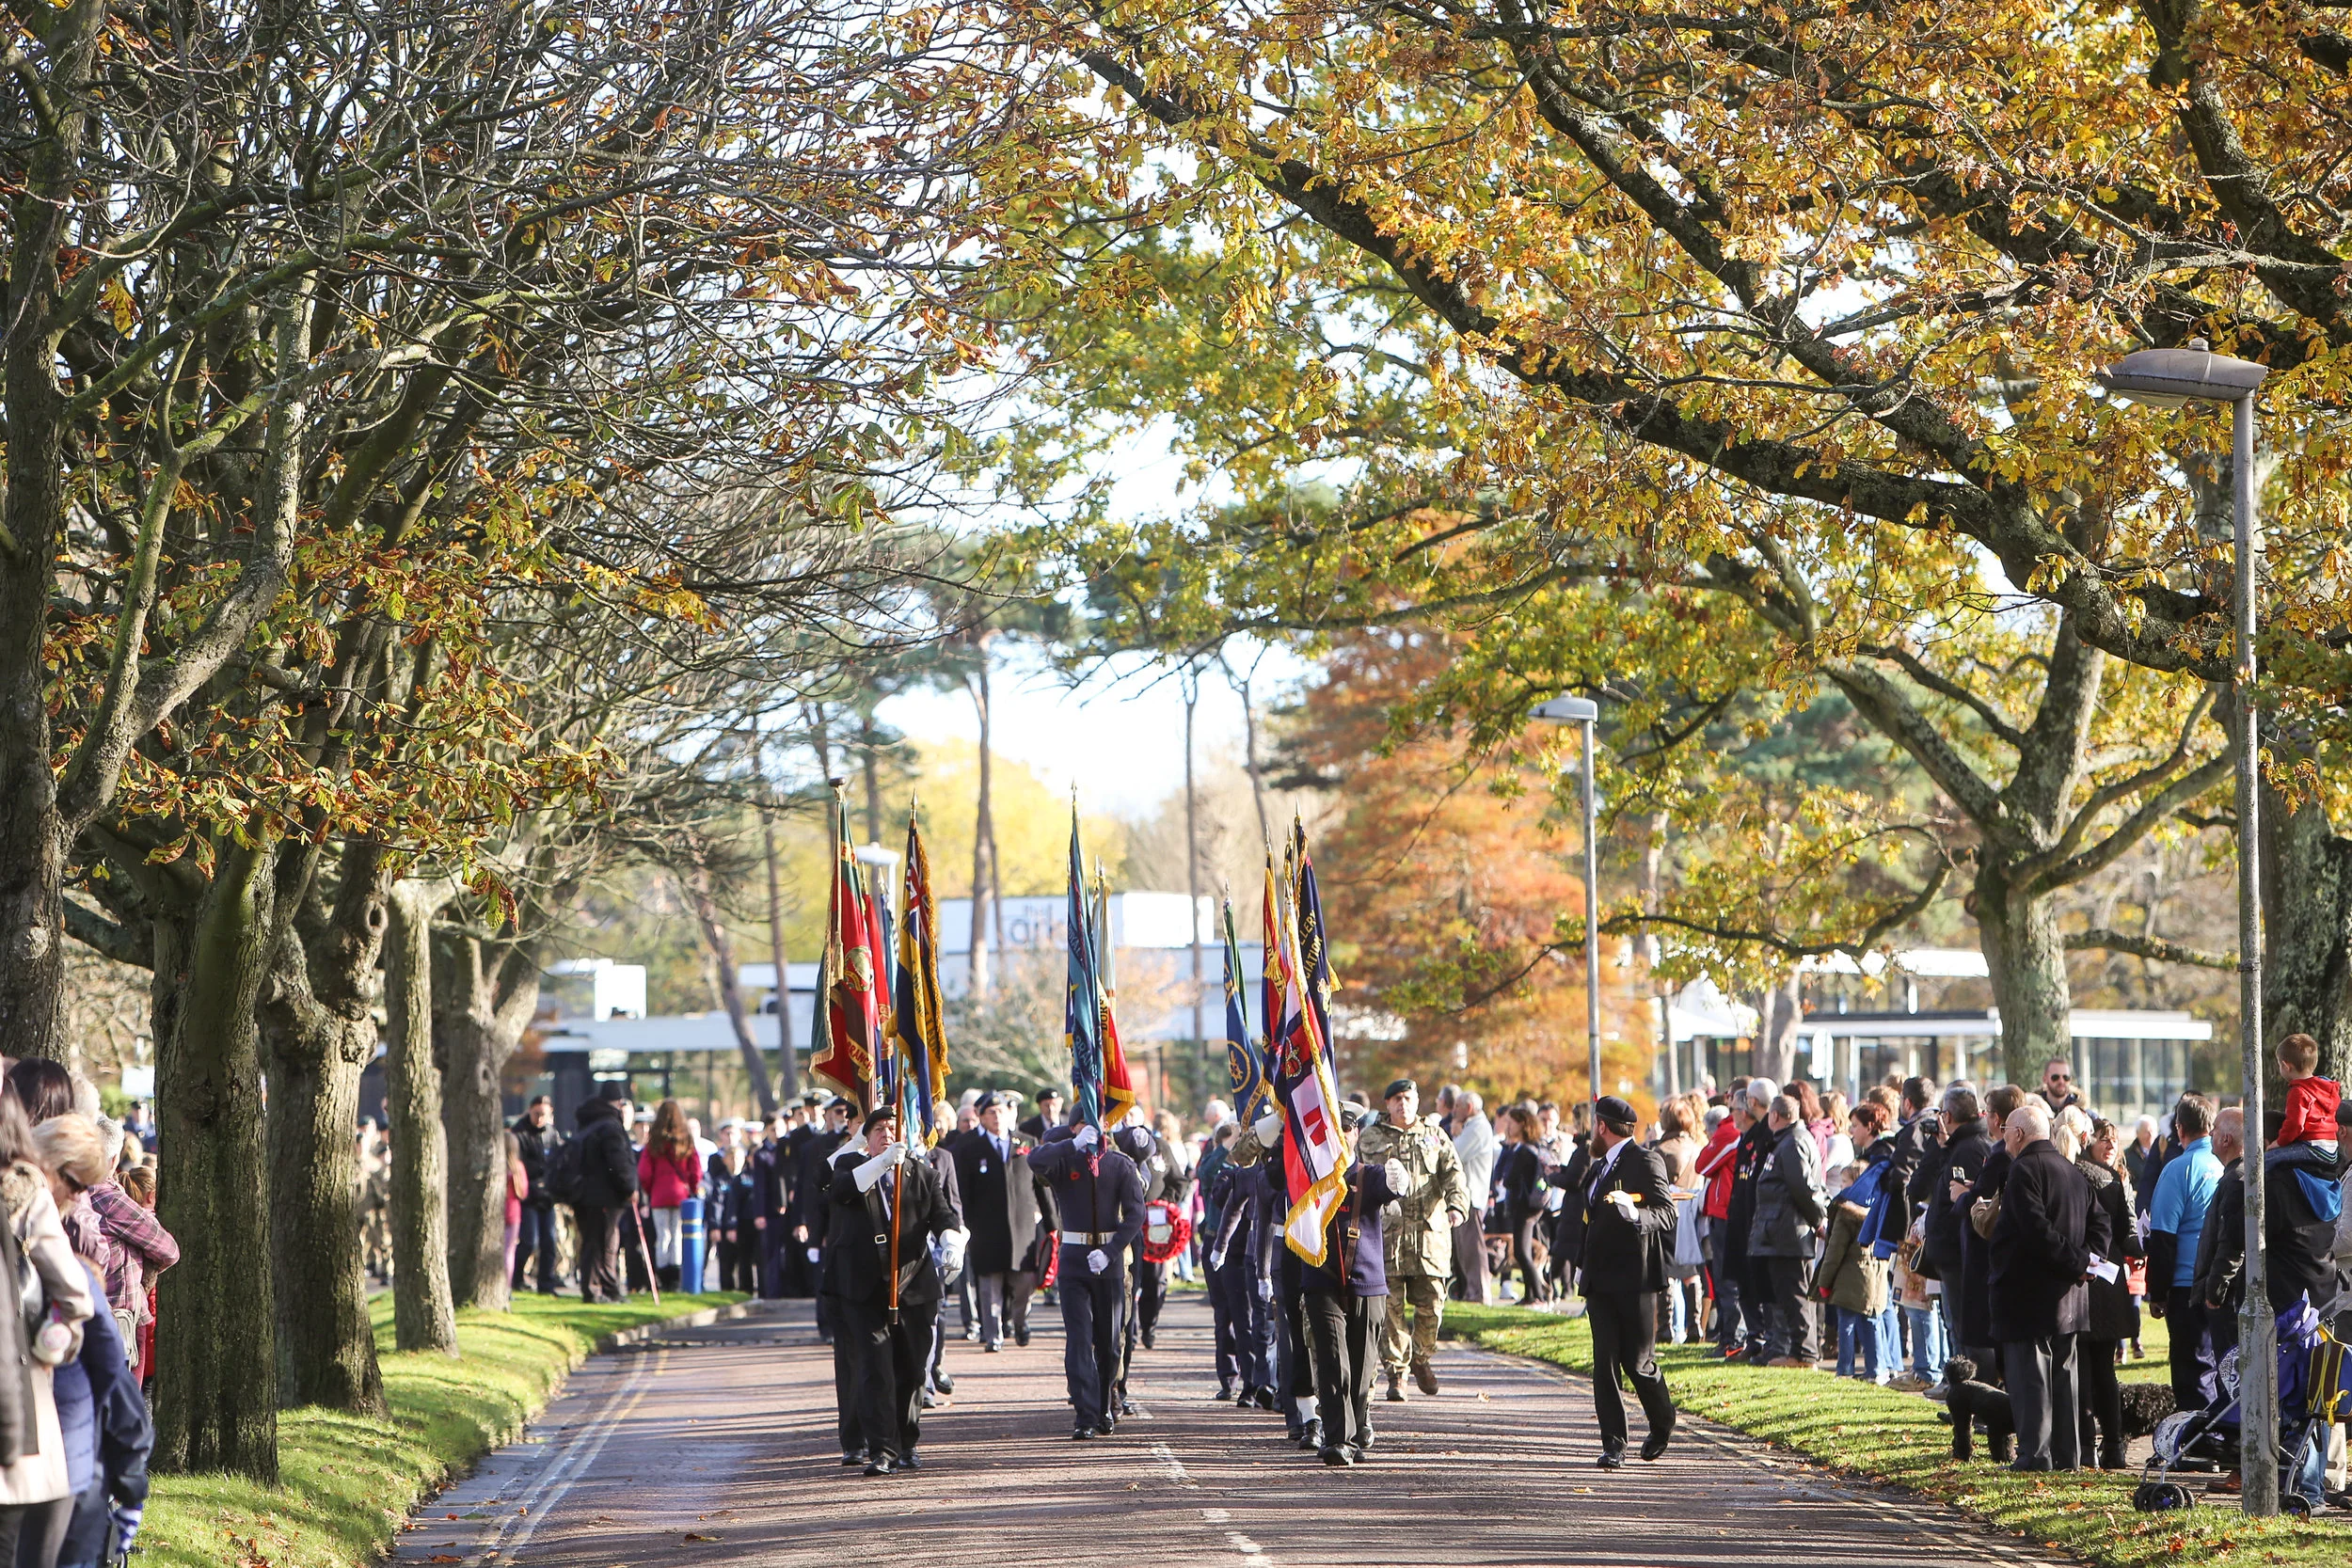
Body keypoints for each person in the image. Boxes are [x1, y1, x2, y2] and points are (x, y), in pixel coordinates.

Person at [825, 1107, 961, 1476]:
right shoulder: (849, 1165)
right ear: (866, 1137)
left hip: (914, 1284)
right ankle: (882, 1450)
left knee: (913, 1370)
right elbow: (842, 1190)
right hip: (864, 1287)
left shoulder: (922, 1173)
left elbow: (944, 1214)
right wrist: (882, 1162)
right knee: (874, 1368)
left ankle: (907, 1442)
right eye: (879, 1128)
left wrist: (952, 1239)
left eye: (893, 1128)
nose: (887, 1133)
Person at [0, 1092, 95, 1566]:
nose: (80, 1197)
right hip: (16, 1407)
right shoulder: (24, 1192)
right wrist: (52, 1342)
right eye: (76, 1183)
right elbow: (75, 1295)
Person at [1989, 1099, 2106, 1471]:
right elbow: (2100, 1223)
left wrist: (2079, 1262)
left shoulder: (2025, 1170)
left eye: (2006, 1130)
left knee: (2031, 1377)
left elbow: (2036, 1230)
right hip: (2070, 1297)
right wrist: (2089, 1261)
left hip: (2030, 1295)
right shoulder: (2072, 1171)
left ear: (2019, 1133)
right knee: (2065, 1377)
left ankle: (2036, 1456)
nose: (2003, 1138)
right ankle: (2067, 1455)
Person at [1291, 1115, 1403, 1467]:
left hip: (1366, 1281)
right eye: (1331, 1127)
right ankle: (1339, 1439)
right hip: (1321, 1279)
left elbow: (1388, 1187)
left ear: (1356, 1134)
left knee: (1361, 1364)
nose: (1339, 1134)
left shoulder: (1367, 1175)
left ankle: (1354, 1437)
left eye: (1346, 1127)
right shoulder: (1308, 1177)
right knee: (1332, 1360)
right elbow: (1280, 1186)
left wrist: (1398, 1179)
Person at [1573, 1095, 1677, 1468]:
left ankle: (1663, 1421)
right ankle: (1614, 1443)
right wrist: (1581, 1263)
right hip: (1600, 1278)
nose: (1590, 1133)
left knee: (1638, 1362)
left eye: (1593, 1126)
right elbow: (1591, 1219)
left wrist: (1636, 1214)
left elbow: (1667, 1213)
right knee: (1605, 1362)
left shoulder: (1645, 1160)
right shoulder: (1599, 1167)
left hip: (1635, 1278)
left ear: (1602, 1126)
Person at [1027, 1115, 1147, 1439]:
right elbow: (1034, 1161)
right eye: (1082, 1124)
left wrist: (1111, 1251)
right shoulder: (1064, 1159)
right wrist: (1071, 1144)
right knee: (1079, 1339)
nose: (1090, 1130)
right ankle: (1085, 1413)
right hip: (1074, 1259)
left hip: (1107, 1259)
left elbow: (1136, 1212)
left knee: (1109, 1342)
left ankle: (1105, 1402)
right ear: (1075, 1127)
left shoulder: (1120, 1164)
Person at [1359, 1079, 1468, 1400]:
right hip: (1387, 1238)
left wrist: (1457, 1206)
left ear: (1417, 1101)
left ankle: (1421, 1358)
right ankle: (1397, 1374)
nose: (1402, 1104)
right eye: (1395, 1099)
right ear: (1387, 1104)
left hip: (1428, 1239)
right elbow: (1356, 1175)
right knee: (1389, 1311)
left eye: (1407, 1098)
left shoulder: (1435, 1136)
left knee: (1432, 1304)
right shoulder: (1369, 1137)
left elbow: (1453, 1174)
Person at [945, 1093, 1046, 1353]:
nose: (997, 1118)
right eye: (991, 1113)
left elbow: (1041, 1186)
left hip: (1022, 1227)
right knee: (990, 1285)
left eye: (1000, 1112)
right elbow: (961, 1192)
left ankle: (1020, 1321)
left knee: (1024, 1282)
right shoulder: (968, 1148)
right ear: (981, 1117)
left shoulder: (1026, 1143)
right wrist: (961, 1224)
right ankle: (994, 1335)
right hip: (986, 1228)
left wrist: (1052, 1222)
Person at [2146, 1092, 2223, 1409]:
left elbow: (2163, 1235)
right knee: (2219, 1368)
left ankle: (2199, 1446)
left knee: (2191, 1371)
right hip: (2221, 1280)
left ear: (2179, 1128)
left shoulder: (2179, 1169)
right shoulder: (2224, 1166)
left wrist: (2157, 1291)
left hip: (2185, 1284)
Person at [2074, 1116, 2142, 1469]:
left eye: (2113, 1140)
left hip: (2092, 1276)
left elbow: (2128, 1230)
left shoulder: (2103, 1177)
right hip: (2106, 1276)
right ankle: (2110, 1446)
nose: (2110, 1145)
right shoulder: (2109, 1179)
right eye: (2103, 1139)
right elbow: (2128, 1231)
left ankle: (2093, 1446)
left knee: (2092, 1366)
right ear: (2089, 1141)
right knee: (2100, 1367)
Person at [80, 1159, 172, 1383]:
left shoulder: (65, 1193)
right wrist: (147, 1278)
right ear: (112, 1160)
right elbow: (169, 1250)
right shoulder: (110, 1200)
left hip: (76, 1310)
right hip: (119, 1313)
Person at [568, 1089, 638, 1303]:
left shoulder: (587, 1124)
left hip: (582, 1193)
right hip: (605, 1196)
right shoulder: (610, 1127)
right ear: (617, 1103)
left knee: (592, 1241)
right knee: (605, 1243)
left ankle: (600, 1288)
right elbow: (618, 1162)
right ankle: (600, 1289)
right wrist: (630, 1187)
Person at [636, 1101, 701, 1293]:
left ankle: (663, 1277)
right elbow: (695, 1169)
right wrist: (693, 1187)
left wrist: (650, 1190)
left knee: (662, 1235)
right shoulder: (686, 1140)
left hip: (659, 1195)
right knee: (678, 1234)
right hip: (680, 1194)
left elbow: (644, 1172)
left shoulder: (654, 1141)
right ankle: (676, 1275)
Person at [1490, 1105, 1551, 1306]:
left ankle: (1538, 1297)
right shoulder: (1532, 1147)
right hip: (1532, 1205)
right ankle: (1531, 1295)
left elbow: (1510, 1179)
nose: (1508, 1126)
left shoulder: (1524, 1151)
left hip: (1524, 1206)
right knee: (1522, 1251)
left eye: (1511, 1122)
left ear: (1522, 1124)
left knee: (1522, 1252)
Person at [510, 1098, 562, 1295]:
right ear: (529, 1111)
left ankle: (546, 1284)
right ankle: (517, 1277)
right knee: (529, 1240)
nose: (540, 1118)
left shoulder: (551, 1134)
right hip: (528, 1195)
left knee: (549, 1240)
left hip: (546, 1195)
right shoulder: (520, 1134)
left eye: (544, 1115)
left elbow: (556, 1158)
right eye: (536, 1114)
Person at [1449, 1092, 1497, 1304]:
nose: (1454, 1110)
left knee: (1473, 1248)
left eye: (1458, 1106)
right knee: (1464, 1249)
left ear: (1468, 1107)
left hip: (1472, 1197)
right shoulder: (1473, 1126)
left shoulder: (1477, 1127)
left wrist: (1455, 1135)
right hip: (1467, 1197)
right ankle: (1470, 1291)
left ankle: (1479, 1293)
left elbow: (1455, 1154)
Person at [708, 1133, 757, 1293]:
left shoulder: (748, 1179)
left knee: (744, 1261)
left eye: (738, 1158)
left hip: (743, 1226)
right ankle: (727, 1290)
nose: (735, 1161)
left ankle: (746, 1290)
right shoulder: (721, 1181)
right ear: (725, 1160)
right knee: (726, 1263)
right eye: (731, 1158)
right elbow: (716, 1205)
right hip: (724, 1227)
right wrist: (715, 1226)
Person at [501, 1132, 529, 1290]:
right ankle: (507, 1287)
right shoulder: (518, 1167)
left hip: (498, 1212)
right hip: (513, 1212)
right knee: (509, 1252)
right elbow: (523, 1192)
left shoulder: (497, 1166)